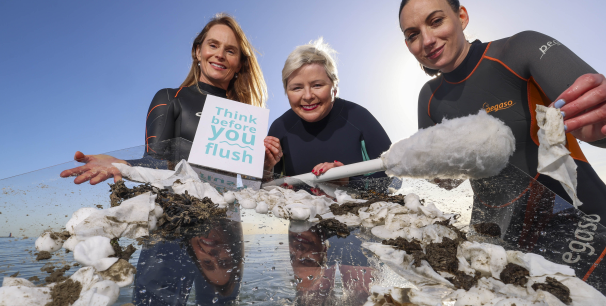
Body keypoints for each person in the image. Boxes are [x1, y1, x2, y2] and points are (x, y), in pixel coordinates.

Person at [398, 0, 606, 303]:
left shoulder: (520, 50)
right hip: (494, 237)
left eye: (435, 21)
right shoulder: (429, 98)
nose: (426, 40)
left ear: (461, 17)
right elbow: (449, 180)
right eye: (412, 34)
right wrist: (434, 175)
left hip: (577, 225)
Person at [60, 13, 268, 184]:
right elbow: (155, 163)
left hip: (228, 226)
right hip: (175, 223)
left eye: (230, 50)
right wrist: (121, 163)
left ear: (240, 63)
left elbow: (253, 187)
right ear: (198, 51)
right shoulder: (171, 98)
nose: (220, 54)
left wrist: (267, 165)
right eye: (213, 45)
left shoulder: (246, 119)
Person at [264, 39, 392, 183]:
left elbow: (395, 176)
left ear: (334, 87)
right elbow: (266, 189)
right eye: (297, 88)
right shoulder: (279, 128)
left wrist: (349, 181)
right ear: (287, 92)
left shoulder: (359, 117)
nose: (307, 96)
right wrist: (265, 169)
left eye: (317, 85)